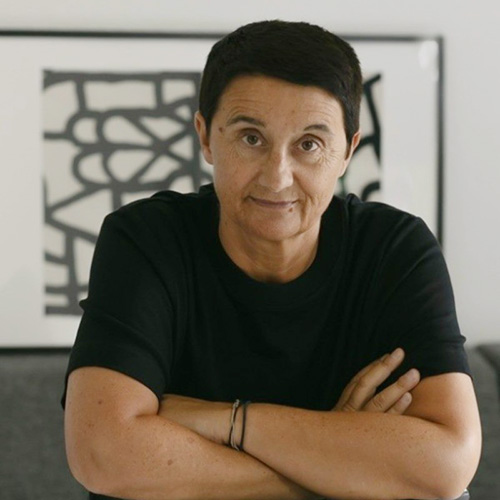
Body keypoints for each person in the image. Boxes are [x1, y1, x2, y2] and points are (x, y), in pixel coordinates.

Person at [61, 20, 481, 500]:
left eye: (309, 144)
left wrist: (230, 422)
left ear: (347, 151)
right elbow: (103, 454)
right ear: (205, 137)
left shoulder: (394, 248)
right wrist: (337, 467)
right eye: (251, 138)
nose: (277, 177)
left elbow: (447, 464)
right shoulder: (146, 239)